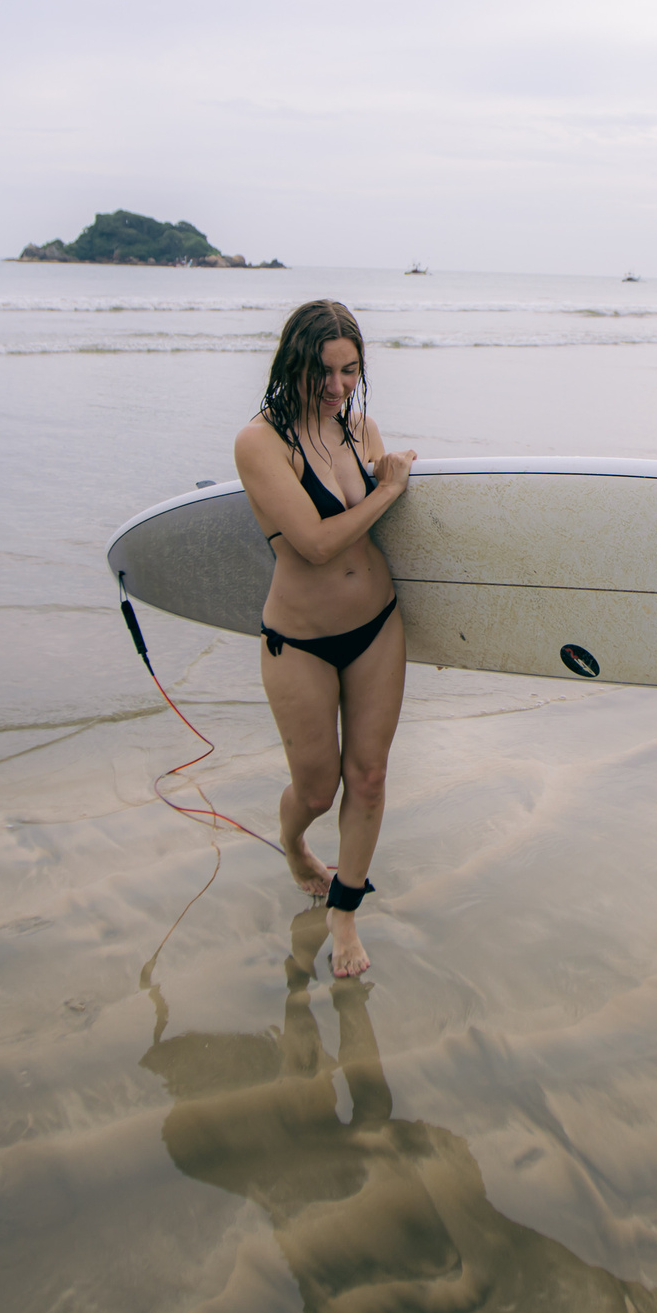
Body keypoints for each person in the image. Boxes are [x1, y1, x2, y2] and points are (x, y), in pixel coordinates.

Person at [235, 300, 416, 978]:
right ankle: (294, 844)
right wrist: (387, 489)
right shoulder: (259, 442)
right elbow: (313, 543)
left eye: (350, 370)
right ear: (293, 362)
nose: (338, 386)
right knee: (315, 790)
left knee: (367, 777)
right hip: (301, 640)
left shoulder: (360, 428)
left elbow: (378, 533)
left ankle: (344, 913)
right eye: (324, 371)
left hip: (377, 624)